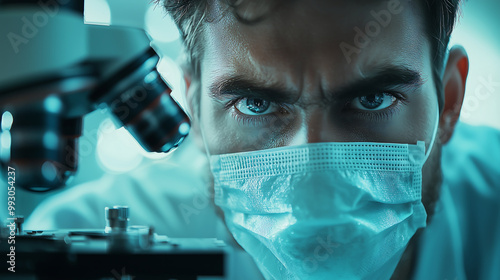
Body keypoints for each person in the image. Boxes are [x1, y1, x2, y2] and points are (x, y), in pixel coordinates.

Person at [26, 0, 500, 279]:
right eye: (255, 105)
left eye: (374, 99)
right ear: (193, 104)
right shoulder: (80, 245)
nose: (315, 180)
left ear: (450, 100)